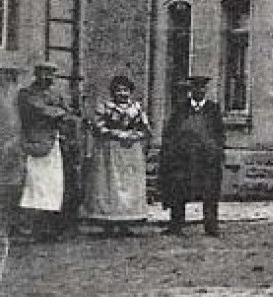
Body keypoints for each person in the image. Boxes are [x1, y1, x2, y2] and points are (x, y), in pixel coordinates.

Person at [81, 75, 151, 236]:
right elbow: (98, 128)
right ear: (113, 92)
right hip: (110, 151)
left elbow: (146, 128)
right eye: (119, 90)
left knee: (130, 183)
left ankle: (127, 221)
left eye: (125, 90)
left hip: (131, 151)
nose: (122, 94)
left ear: (130, 92)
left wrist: (135, 135)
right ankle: (108, 222)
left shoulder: (137, 108)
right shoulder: (105, 107)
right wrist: (117, 134)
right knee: (110, 183)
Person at [16, 61, 76, 241]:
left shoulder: (56, 94)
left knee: (53, 186)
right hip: (35, 143)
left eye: (52, 74)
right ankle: (27, 229)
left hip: (54, 144)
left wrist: (60, 113)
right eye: (44, 73)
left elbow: (68, 113)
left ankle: (48, 228)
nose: (48, 78)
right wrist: (59, 113)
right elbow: (41, 111)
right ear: (36, 74)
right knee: (34, 185)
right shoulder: (27, 94)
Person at [159, 75, 225, 237]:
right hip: (184, 158)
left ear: (205, 91)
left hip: (206, 159)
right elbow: (171, 132)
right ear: (191, 90)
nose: (199, 91)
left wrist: (216, 151)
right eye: (196, 88)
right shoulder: (181, 109)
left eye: (202, 88)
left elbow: (219, 134)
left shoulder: (213, 109)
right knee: (178, 191)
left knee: (210, 191)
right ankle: (175, 225)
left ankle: (211, 226)